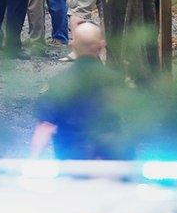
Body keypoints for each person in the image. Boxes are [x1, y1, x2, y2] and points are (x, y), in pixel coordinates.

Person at [29, 22, 125, 159]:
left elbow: (45, 127)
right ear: (102, 47)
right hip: (110, 162)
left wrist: (33, 162)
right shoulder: (117, 82)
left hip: (72, 163)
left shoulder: (57, 84)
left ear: (73, 47)